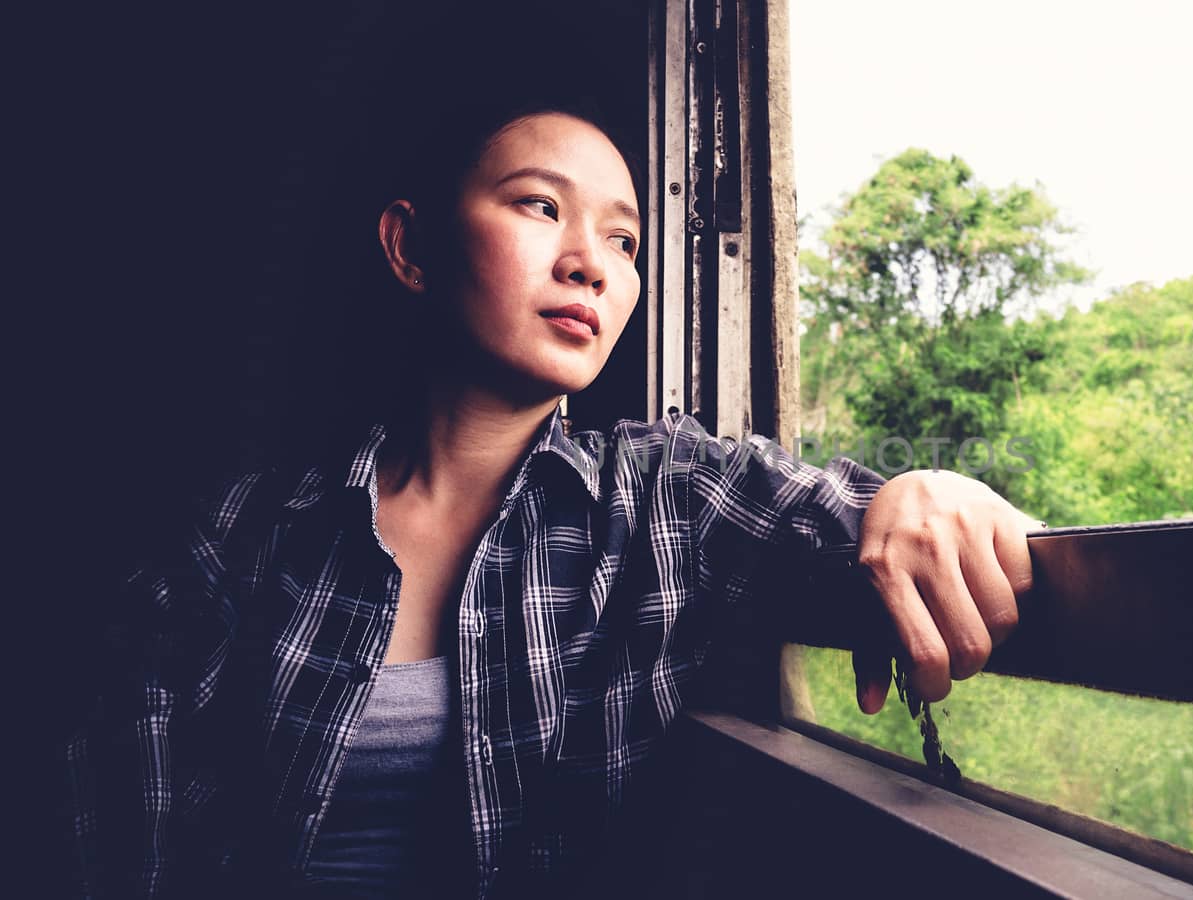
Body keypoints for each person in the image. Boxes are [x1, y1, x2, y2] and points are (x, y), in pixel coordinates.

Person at [64, 92, 1037, 900]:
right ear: (411, 246)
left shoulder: (663, 496)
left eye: (624, 241)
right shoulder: (238, 536)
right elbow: (121, 846)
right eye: (539, 207)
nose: (591, 263)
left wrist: (922, 489)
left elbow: (851, 510)